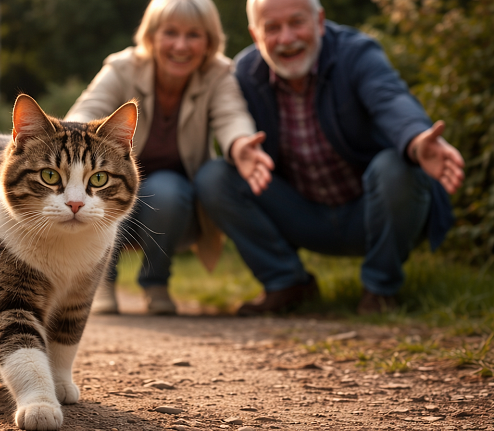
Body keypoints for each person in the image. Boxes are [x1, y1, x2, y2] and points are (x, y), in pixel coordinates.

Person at [194, 0, 465, 315]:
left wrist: (417, 141)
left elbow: (390, 99)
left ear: (320, 21)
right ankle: (288, 284)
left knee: (398, 166)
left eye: (297, 22)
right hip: (302, 214)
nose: (285, 38)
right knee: (214, 178)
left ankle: (380, 290)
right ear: (256, 36)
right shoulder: (245, 73)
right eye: (272, 28)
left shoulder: (357, 52)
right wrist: (240, 147)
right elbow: (231, 120)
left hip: (371, 210)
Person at [65, 0, 257, 315]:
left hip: (171, 205)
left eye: (193, 34)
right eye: (171, 33)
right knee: (93, 185)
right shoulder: (121, 67)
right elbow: (86, 111)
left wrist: (242, 144)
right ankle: (100, 280)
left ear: (208, 41)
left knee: (168, 190)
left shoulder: (219, 74)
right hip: (111, 191)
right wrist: (59, 136)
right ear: (152, 35)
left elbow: (231, 117)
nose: (181, 45)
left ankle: (156, 282)